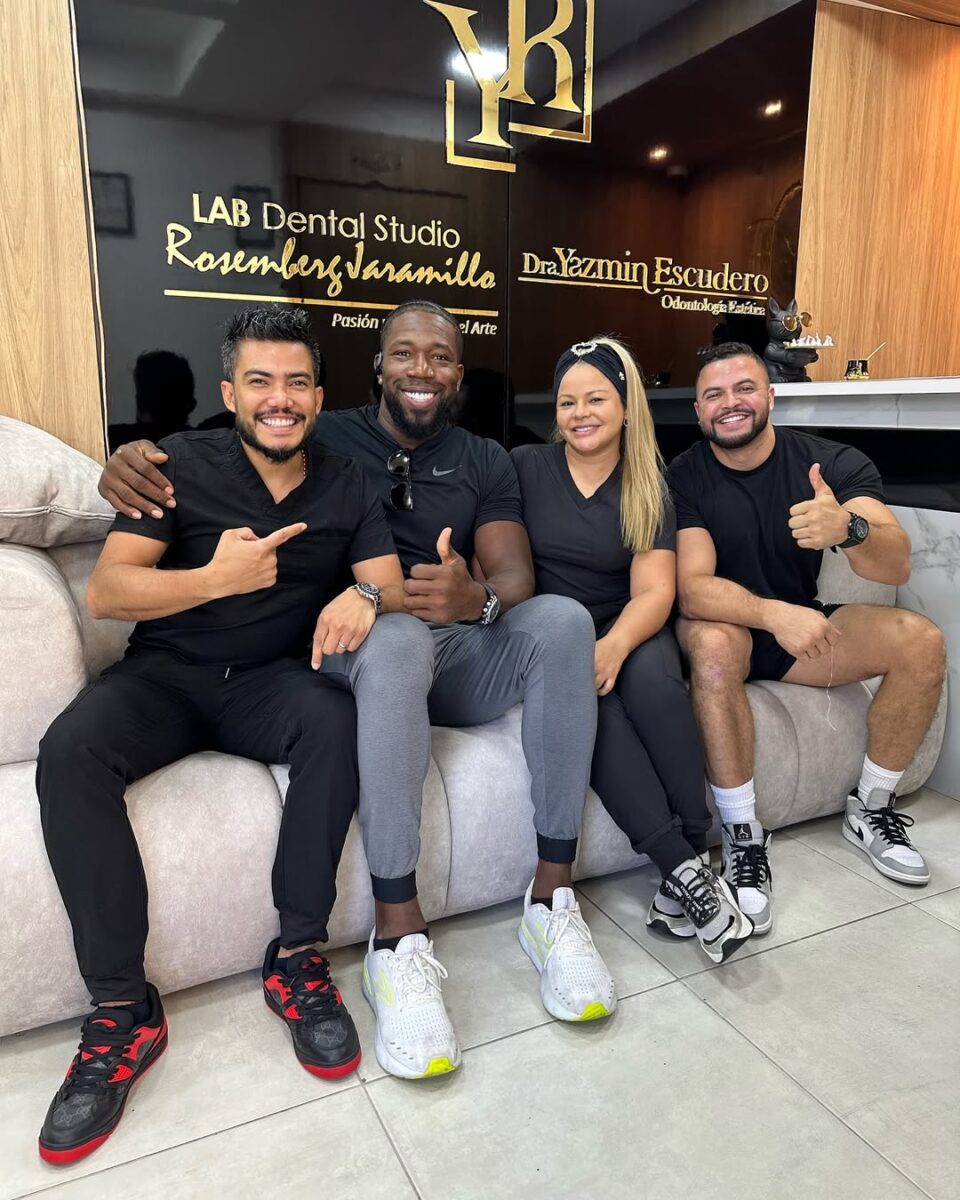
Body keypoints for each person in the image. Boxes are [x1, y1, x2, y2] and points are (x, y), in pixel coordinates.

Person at [97, 299, 615, 1083]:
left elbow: (515, 579)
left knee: (566, 622)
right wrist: (122, 460)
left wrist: (476, 600)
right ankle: (396, 935)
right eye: (404, 354)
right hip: (351, 654)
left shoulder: (485, 458)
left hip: (454, 647)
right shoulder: (316, 430)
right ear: (376, 367)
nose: (420, 371)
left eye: (439, 358)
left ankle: (551, 904)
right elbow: (204, 455)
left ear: (458, 375)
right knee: (399, 637)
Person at [35, 306, 408, 1164]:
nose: (281, 400)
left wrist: (369, 597)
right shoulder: (176, 466)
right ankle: (122, 1013)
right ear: (229, 391)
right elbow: (111, 593)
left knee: (335, 720)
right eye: (262, 382)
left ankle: (298, 957)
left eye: (298, 382)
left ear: (319, 393)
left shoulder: (347, 482)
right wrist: (214, 578)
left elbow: (384, 579)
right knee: (69, 752)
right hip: (165, 676)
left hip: (272, 683)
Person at [667, 341, 946, 932]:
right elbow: (692, 588)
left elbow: (895, 565)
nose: (730, 404)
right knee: (715, 644)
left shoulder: (830, 462)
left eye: (744, 388)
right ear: (698, 411)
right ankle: (744, 837)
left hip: (803, 624)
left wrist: (850, 527)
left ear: (770, 395)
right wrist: (773, 615)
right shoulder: (684, 473)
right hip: (734, 625)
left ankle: (871, 807)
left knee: (921, 640)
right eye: (714, 395)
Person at [512, 338, 752, 964]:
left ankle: (696, 852)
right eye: (567, 401)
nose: (580, 412)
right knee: (593, 715)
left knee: (650, 684)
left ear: (625, 407)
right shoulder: (525, 468)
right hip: (551, 634)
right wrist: (583, 654)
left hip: (631, 623)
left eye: (596, 398)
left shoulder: (649, 482)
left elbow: (655, 590)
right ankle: (685, 868)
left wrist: (614, 647)